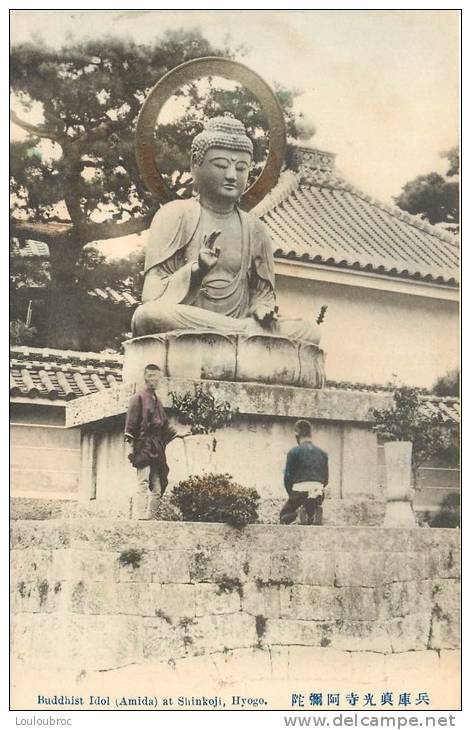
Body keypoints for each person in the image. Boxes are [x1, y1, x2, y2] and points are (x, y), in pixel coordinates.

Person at [131, 114, 320, 344]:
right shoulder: (175, 214)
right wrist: (196, 270)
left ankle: (239, 333)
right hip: (191, 319)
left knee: (309, 332)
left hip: (234, 326)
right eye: (221, 165)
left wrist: (262, 309)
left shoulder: (255, 229)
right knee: (149, 316)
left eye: (241, 168)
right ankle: (241, 333)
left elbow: (263, 296)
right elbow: (151, 296)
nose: (232, 176)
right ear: (195, 164)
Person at [124, 363, 189, 519]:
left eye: (158, 377)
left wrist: (178, 433)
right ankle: (140, 516)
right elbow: (130, 425)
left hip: (157, 447)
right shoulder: (138, 398)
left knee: (158, 484)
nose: (155, 380)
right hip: (143, 445)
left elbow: (164, 424)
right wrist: (130, 447)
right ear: (146, 377)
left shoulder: (157, 400)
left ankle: (150, 517)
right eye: (152, 376)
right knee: (143, 481)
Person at [280, 419, 329, 525]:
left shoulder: (293, 452)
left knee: (285, 515)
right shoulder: (323, 454)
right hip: (318, 492)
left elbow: (287, 478)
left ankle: (299, 512)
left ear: (297, 436)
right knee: (314, 500)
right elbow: (326, 479)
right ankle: (312, 511)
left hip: (299, 492)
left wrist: (292, 495)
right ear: (310, 434)